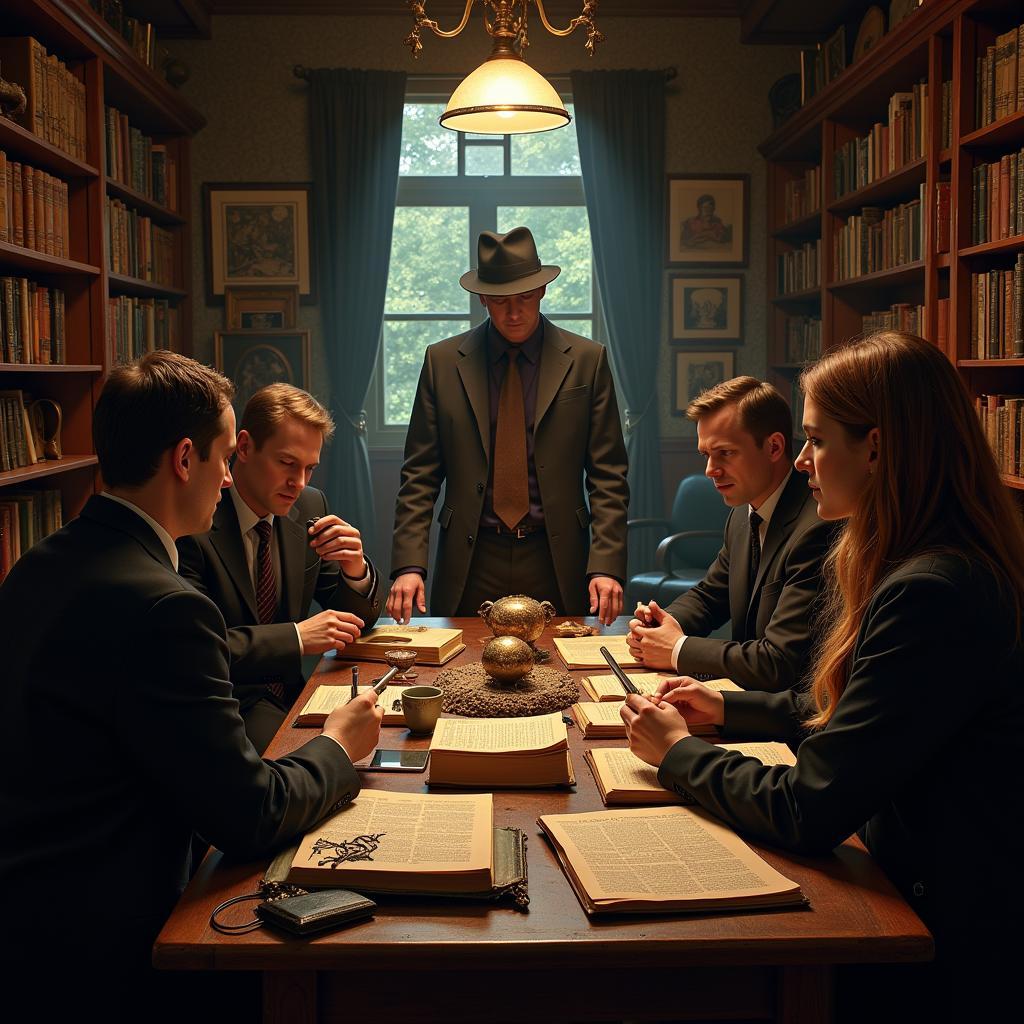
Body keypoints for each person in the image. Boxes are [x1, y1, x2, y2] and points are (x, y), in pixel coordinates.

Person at [621, 332, 1024, 1011]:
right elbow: (854, 713)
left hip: (939, 942)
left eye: (816, 440)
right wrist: (725, 711)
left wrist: (676, 754)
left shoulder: (932, 591)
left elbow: (809, 805)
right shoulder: (928, 560)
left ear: (877, 447)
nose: (805, 463)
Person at [0, 352, 383, 1015]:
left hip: (26, 919)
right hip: (115, 952)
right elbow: (250, 814)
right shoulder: (166, 604)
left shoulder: (38, 563)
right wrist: (340, 746)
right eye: (225, 457)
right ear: (185, 459)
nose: (229, 476)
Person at [388, 226, 629, 625]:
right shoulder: (442, 362)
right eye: (500, 301)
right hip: (472, 555)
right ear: (482, 297)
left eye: (524, 298)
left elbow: (608, 475)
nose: (513, 312)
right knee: (458, 677)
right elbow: (419, 476)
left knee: (565, 680)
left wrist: (605, 564)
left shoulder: (588, 360)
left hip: (556, 555)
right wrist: (409, 566)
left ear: (542, 292)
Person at [178, 383, 381, 752]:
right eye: (287, 463)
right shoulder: (194, 519)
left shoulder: (309, 504)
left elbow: (356, 622)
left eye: (310, 469)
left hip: (293, 697)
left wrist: (355, 570)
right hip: (226, 707)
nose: (298, 483)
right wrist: (299, 637)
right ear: (244, 446)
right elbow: (199, 651)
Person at [627, 377, 838, 692]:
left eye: (725, 453)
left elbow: (777, 664)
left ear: (774, 447)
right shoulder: (742, 513)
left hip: (791, 717)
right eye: (706, 455)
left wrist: (675, 648)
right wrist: (662, 623)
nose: (710, 469)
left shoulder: (818, 524)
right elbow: (712, 595)